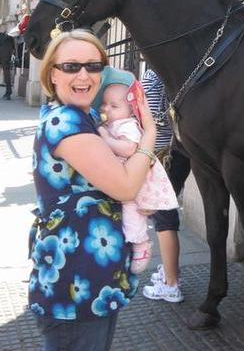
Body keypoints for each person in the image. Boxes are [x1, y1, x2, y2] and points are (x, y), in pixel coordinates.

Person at [28, 29, 157, 351]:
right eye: (71, 66)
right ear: (53, 74)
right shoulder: (66, 123)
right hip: (76, 282)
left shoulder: (83, 117)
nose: (84, 74)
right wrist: (151, 135)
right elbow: (126, 186)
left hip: (90, 277)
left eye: (94, 66)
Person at [97, 75, 178, 275]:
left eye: (114, 106)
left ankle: (140, 245)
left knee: (134, 212)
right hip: (124, 172)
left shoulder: (127, 125)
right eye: (105, 104)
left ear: (130, 110)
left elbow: (128, 148)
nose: (106, 109)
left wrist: (105, 138)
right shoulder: (112, 123)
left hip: (139, 172)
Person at [141, 68, 191, 304]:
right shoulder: (179, 71)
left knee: (164, 221)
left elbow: (150, 118)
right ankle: (171, 272)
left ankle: (171, 284)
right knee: (166, 217)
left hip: (161, 158)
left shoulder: (154, 75)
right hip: (179, 154)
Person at [0, 30, 15, 100]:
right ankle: (8, 92)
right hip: (6, 49)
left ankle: (8, 92)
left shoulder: (6, 37)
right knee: (6, 71)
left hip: (4, 49)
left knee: (6, 71)